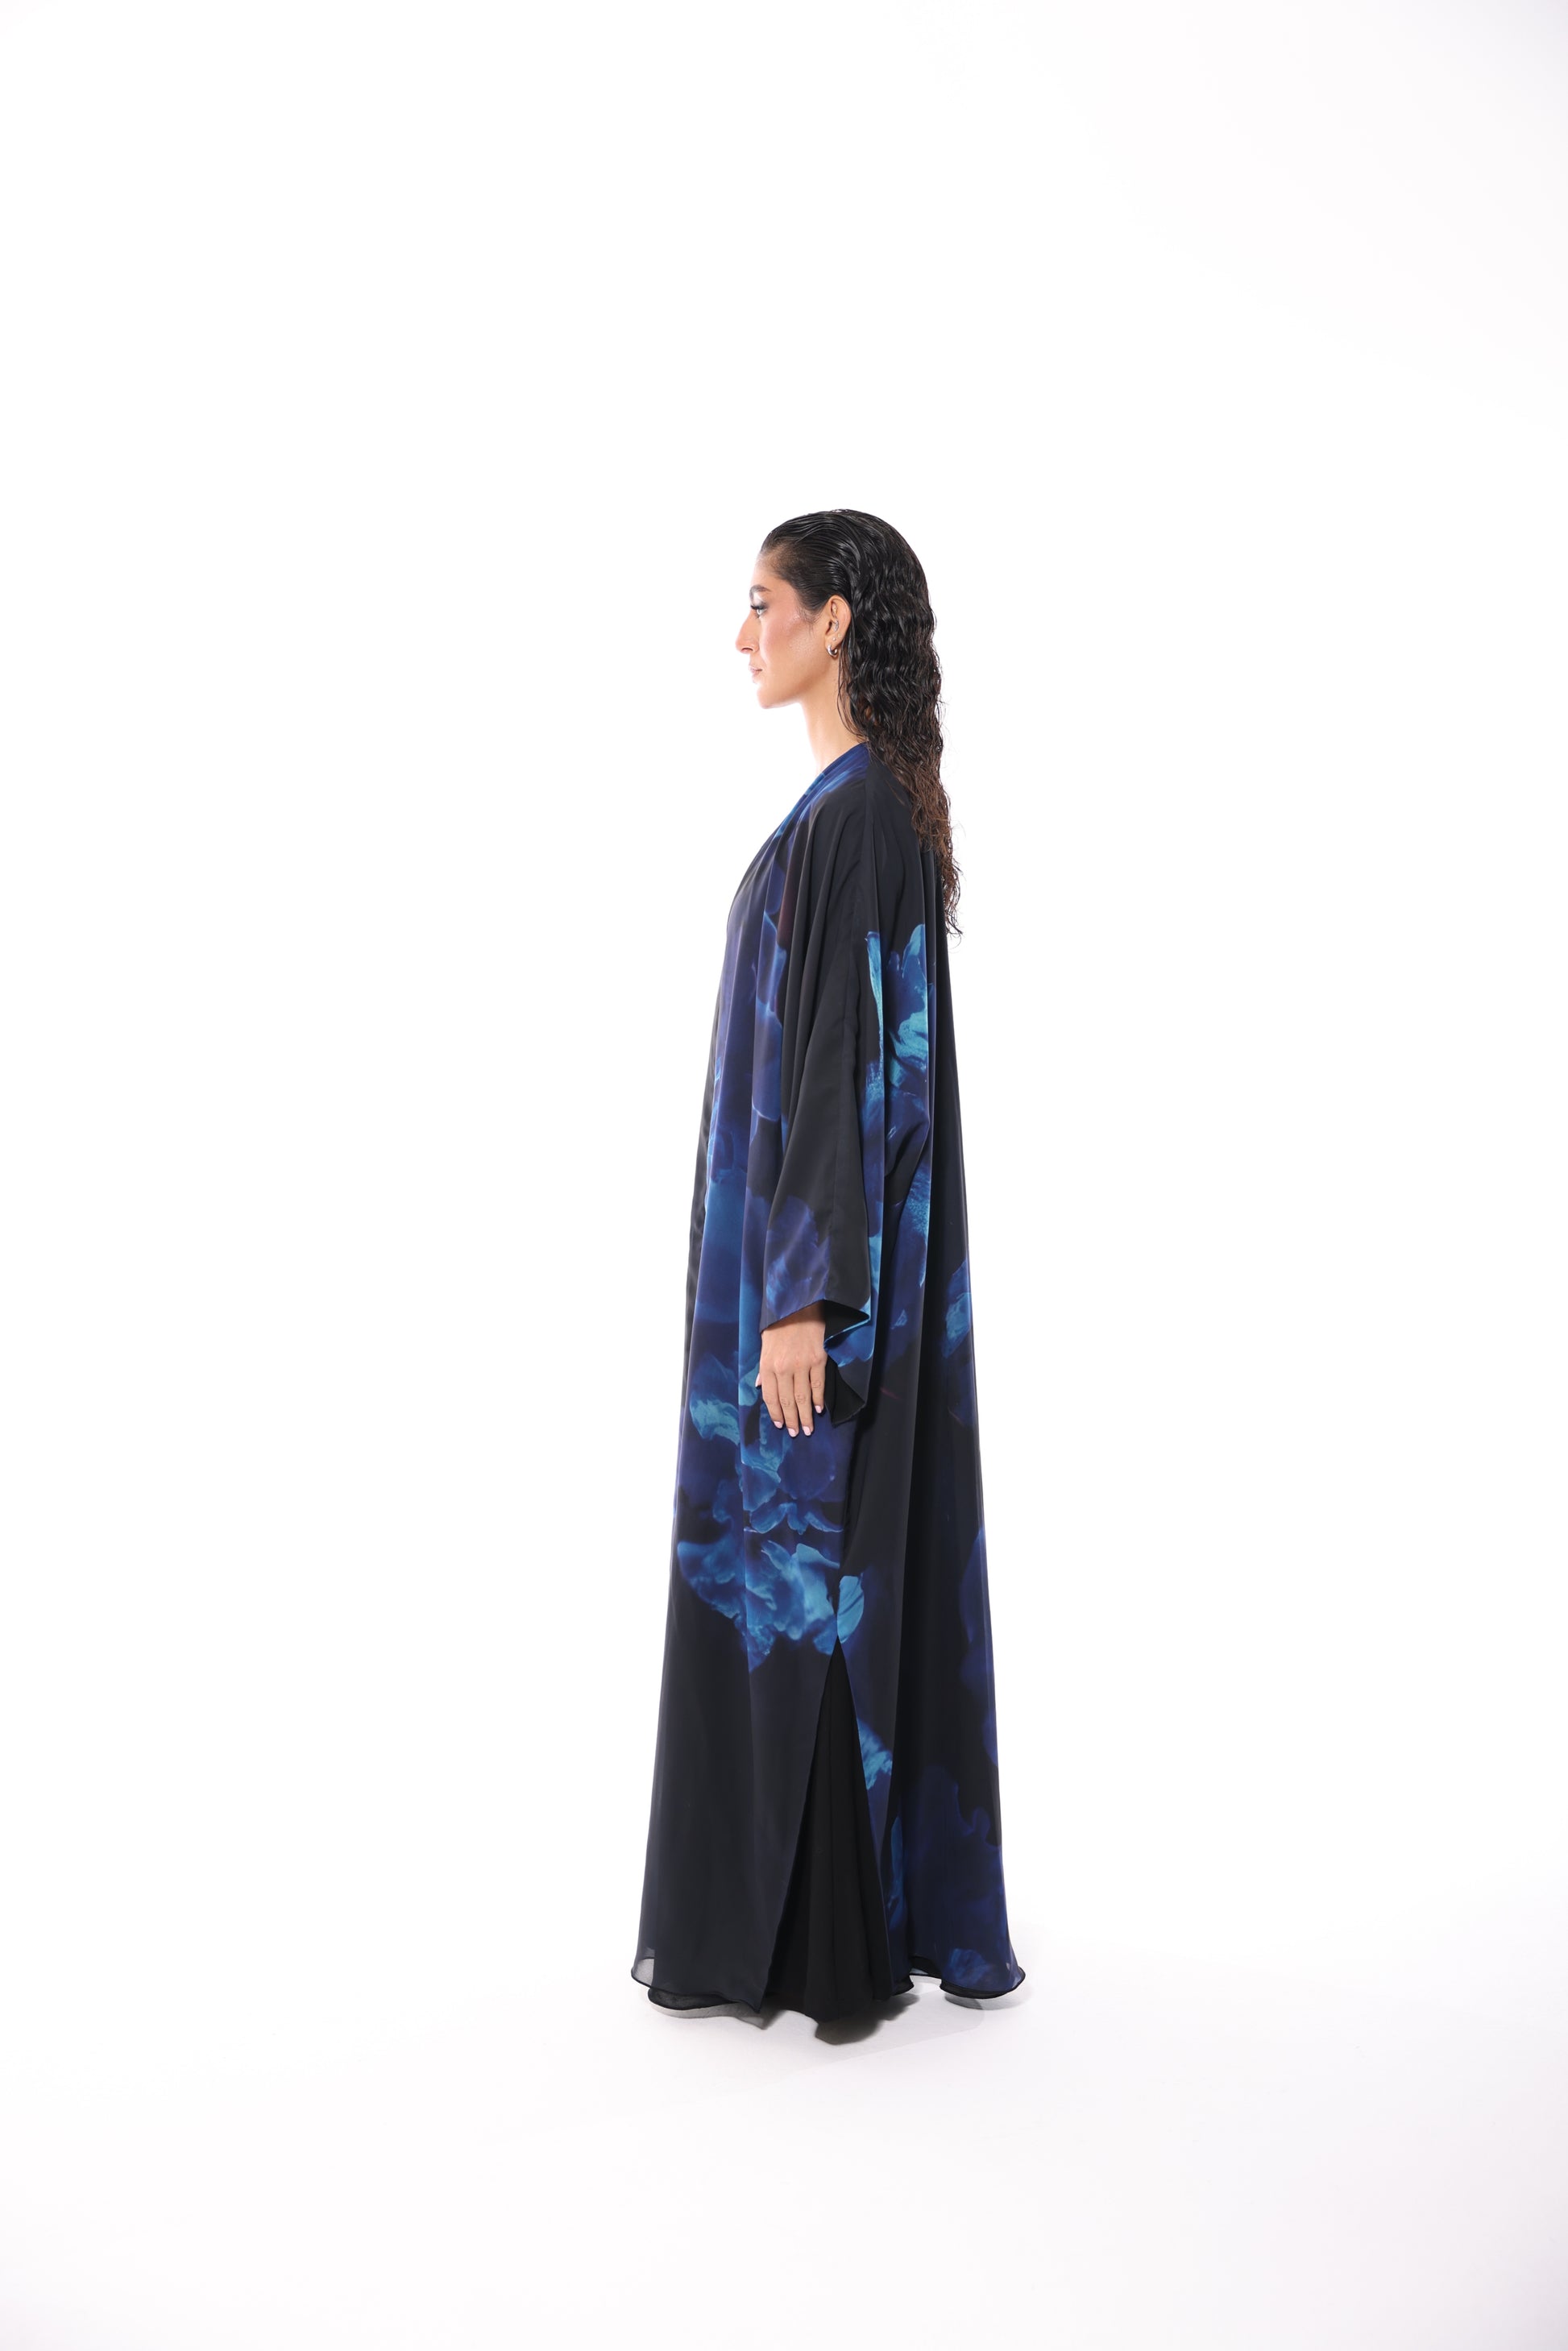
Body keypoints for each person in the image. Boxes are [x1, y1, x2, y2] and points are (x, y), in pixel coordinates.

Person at [631, 508, 1023, 2024]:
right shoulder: (861, 810)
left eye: (761, 603)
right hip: (817, 1266)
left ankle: (822, 1940)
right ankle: (833, 1922)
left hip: (815, 1287)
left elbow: (846, 1063)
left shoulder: (857, 817)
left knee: (808, 1568)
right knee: (823, 1564)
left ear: (833, 620)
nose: (742, 635)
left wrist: (800, 1295)